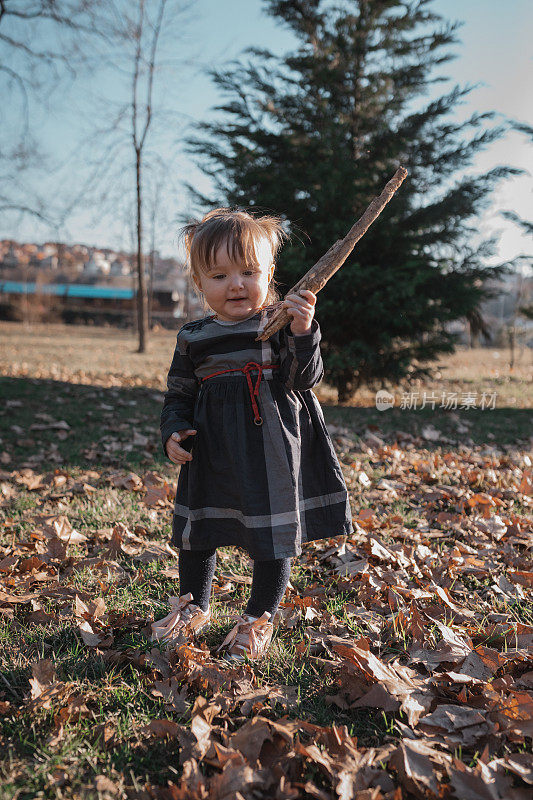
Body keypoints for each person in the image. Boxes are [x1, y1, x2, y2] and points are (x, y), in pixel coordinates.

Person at [151, 208, 353, 662]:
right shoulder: (193, 337)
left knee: (271, 530)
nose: (236, 285)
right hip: (211, 450)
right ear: (199, 282)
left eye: (248, 272)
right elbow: (178, 394)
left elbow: (304, 379)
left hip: (270, 449)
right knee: (199, 528)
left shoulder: (276, 325)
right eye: (219, 275)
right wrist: (172, 431)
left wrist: (303, 331)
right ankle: (193, 606)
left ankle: (259, 616)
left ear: (270, 273)